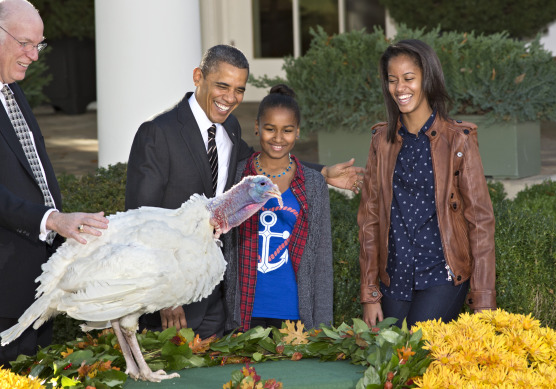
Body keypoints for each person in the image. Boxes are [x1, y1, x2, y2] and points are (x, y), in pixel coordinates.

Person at [126, 45, 355, 339]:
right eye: (222, 85)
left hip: (216, 296)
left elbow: (263, 161)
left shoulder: (229, 128)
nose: (230, 98)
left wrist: (320, 173)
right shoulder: (158, 132)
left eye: (239, 89)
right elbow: (141, 221)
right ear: (198, 77)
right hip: (173, 300)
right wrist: (164, 293)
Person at [357, 39, 496, 328]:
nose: (400, 88)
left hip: (443, 273)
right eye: (392, 80)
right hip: (395, 277)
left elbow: (480, 221)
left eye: (409, 78)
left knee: (414, 349)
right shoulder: (381, 141)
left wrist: (483, 299)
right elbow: (369, 220)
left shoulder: (459, 140)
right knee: (386, 359)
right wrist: (370, 294)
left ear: (427, 79)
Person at [0, 0, 109, 367]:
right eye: (24, 43)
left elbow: (36, 174)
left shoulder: (14, 91)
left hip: (36, 284)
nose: (33, 55)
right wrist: (52, 220)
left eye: (39, 45)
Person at [223, 84, 332, 332]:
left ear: (298, 132)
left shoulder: (313, 184)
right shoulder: (238, 177)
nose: (278, 138)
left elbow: (322, 260)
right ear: (257, 128)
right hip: (245, 311)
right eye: (270, 129)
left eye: (287, 130)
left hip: (294, 313)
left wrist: (324, 328)